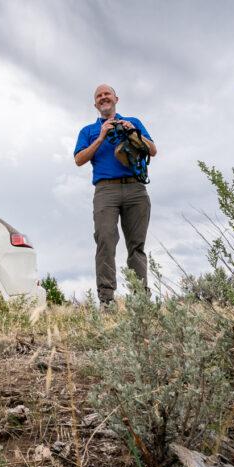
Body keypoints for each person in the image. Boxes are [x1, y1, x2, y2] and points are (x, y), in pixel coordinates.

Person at [73, 84, 157, 308]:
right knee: (105, 240)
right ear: (95, 104)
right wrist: (101, 137)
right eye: (99, 96)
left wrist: (132, 132)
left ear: (116, 98)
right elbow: (79, 159)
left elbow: (153, 150)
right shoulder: (88, 131)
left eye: (106, 94)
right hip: (105, 190)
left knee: (136, 246)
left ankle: (140, 300)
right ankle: (107, 301)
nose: (103, 98)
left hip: (135, 188)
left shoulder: (133, 121)